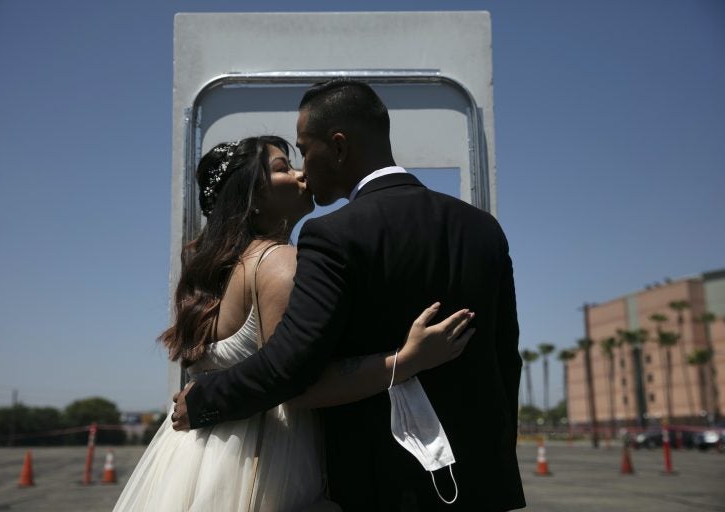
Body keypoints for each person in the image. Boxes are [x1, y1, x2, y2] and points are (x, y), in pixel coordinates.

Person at [175, 80, 526, 511]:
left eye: (305, 149)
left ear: (338, 147)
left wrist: (205, 399)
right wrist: (498, 469)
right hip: (480, 485)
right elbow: (506, 359)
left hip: (377, 487)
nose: (304, 167)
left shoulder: (334, 235)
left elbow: (291, 367)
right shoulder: (483, 229)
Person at [113, 135, 474, 512]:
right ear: (252, 199)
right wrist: (408, 359)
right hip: (265, 457)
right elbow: (296, 381)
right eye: (283, 168)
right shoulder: (279, 262)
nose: (302, 174)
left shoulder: (215, 272)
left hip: (196, 457)